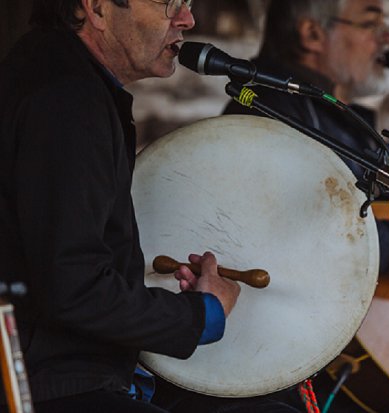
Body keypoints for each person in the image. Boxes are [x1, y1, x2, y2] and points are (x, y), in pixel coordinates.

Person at [151, 1, 389, 412]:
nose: (386, 36)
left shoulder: (339, 119)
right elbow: (286, 239)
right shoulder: (267, 110)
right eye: (370, 22)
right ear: (311, 34)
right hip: (277, 362)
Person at [0, 0, 241, 412]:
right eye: (169, 4)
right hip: (56, 387)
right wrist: (200, 315)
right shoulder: (67, 99)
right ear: (96, 9)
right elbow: (73, 287)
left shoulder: (56, 74)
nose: (188, 19)